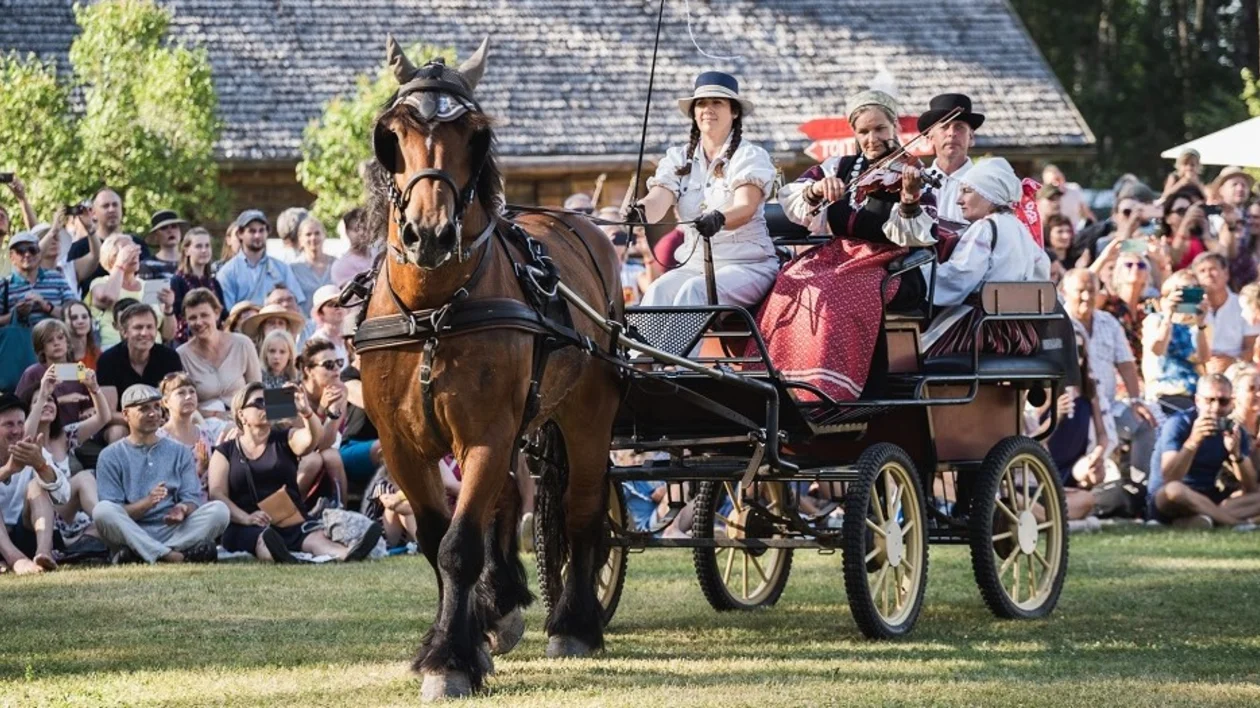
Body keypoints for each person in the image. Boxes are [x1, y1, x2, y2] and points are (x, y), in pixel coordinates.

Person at [762, 89, 934, 401]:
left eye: (880, 129)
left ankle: (829, 391)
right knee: (789, 281)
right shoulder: (840, 166)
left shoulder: (912, 171)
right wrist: (816, 190)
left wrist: (909, 201)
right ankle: (781, 383)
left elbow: (919, 235)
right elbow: (793, 198)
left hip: (889, 263)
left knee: (832, 289)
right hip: (839, 254)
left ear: (894, 126)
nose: (872, 139)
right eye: (863, 131)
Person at [627, 72, 779, 309]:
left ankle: (676, 349)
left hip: (747, 265)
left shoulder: (749, 156)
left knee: (695, 292)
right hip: (694, 265)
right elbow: (659, 198)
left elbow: (746, 207)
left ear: (734, 112)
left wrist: (719, 218)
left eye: (717, 102)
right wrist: (641, 212)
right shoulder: (678, 158)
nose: (708, 108)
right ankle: (641, 349)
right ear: (694, 113)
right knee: (657, 291)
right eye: (701, 103)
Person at [208, 382, 380, 563]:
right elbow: (217, 494)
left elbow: (313, 439)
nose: (265, 406)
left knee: (315, 539)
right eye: (258, 403)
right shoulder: (225, 451)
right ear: (241, 414)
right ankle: (285, 558)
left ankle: (347, 554)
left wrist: (306, 412)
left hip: (288, 519)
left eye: (268, 402)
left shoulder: (286, 438)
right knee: (264, 540)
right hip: (246, 524)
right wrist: (246, 518)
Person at [921, 158, 1052, 357]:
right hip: (1019, 332)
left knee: (916, 354)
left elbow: (958, 278)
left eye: (967, 191)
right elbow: (1042, 273)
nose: (958, 200)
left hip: (982, 330)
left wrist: (920, 274)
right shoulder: (1020, 229)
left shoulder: (985, 228)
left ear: (989, 195)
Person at [92, 384, 229, 563]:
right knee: (102, 511)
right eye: (144, 409)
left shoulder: (179, 451)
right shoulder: (110, 455)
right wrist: (146, 503)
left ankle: (143, 553)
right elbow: (115, 510)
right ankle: (172, 555)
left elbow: (192, 498)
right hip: (133, 529)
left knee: (220, 511)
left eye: (157, 407)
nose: (153, 413)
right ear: (125, 415)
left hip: (174, 530)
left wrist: (182, 509)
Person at [1061, 269, 1158, 481]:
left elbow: (1126, 363)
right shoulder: (1057, 323)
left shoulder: (1108, 322)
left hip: (1108, 404)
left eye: (1091, 290)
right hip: (1072, 410)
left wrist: (1135, 400)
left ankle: (1138, 488)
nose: (1086, 296)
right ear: (1064, 292)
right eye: (1080, 291)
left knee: (1145, 424)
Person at [1148, 373, 1260, 528]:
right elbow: (1170, 477)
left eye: (1223, 401)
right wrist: (1193, 442)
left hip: (1208, 497)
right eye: (1209, 400)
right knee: (1175, 490)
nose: (1215, 407)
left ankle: (1200, 519)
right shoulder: (1179, 424)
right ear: (1197, 400)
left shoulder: (1233, 429)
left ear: (1231, 403)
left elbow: (1251, 488)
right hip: (1169, 498)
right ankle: (1234, 523)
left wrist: (1236, 455)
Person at [26, 367, 109, 552]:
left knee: (87, 477)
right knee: (83, 478)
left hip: (66, 511)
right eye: (38, 401)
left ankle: (97, 529)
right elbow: (25, 436)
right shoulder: (23, 438)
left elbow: (104, 418)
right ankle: (107, 523)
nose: (47, 403)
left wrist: (94, 389)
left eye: (50, 400)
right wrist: (42, 393)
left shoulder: (65, 436)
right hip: (37, 515)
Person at [96, 303, 185, 442]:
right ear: (124, 332)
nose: (144, 333)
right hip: (124, 423)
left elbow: (179, 398)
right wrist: (143, 420)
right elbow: (108, 414)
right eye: (138, 327)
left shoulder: (169, 357)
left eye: (150, 327)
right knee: (116, 433)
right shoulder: (108, 360)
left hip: (163, 421)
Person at [0, 393, 68, 574]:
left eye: (20, 423)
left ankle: (44, 553)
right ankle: (16, 560)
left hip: (25, 532)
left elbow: (64, 496)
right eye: (8, 424)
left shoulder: (31, 449)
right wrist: (8, 469)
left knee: (37, 485)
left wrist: (41, 466)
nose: (16, 431)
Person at [176, 288, 262, 419]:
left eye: (204, 315)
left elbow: (257, 391)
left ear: (216, 314)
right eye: (192, 318)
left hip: (244, 420)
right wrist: (216, 415)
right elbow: (181, 404)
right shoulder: (182, 355)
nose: (199, 322)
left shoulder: (242, 344)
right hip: (203, 424)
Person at [87, 235, 175, 347]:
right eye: (128, 251)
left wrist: (168, 308)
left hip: (151, 351)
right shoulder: (100, 283)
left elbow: (168, 335)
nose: (134, 255)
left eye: (135, 249)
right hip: (114, 351)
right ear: (112, 258)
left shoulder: (150, 286)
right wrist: (121, 264)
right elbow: (108, 297)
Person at [67, 188, 155, 298]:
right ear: (93, 213)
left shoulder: (137, 244)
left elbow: (149, 281)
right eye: (105, 206)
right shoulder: (79, 248)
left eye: (115, 205)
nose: (111, 209)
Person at [1142, 270, 1209, 412]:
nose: (1187, 296)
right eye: (1182, 291)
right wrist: (1168, 317)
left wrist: (1200, 324)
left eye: (1194, 290)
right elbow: (1157, 349)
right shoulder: (1155, 320)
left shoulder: (1199, 325)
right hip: (1164, 393)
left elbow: (1204, 358)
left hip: (1195, 393)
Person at [215, 210, 306, 311]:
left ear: (267, 232)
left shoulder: (282, 268)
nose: (257, 236)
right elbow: (227, 313)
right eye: (252, 231)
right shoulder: (228, 272)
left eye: (261, 230)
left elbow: (297, 303)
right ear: (240, 234)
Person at [295, 340, 349, 503]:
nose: (337, 369)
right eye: (328, 364)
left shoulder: (340, 390)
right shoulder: (290, 393)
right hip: (292, 456)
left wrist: (330, 411)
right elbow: (304, 446)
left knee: (331, 456)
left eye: (339, 363)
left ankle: (343, 512)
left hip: (323, 450)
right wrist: (320, 410)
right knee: (313, 459)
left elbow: (325, 443)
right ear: (309, 370)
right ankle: (292, 512)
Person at [920, 94, 984, 226]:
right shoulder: (916, 182)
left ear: (971, 137)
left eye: (959, 127)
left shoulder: (985, 184)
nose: (951, 133)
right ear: (930, 137)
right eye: (944, 126)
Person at [14, 319, 93, 425]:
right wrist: (60, 400)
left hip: (75, 430)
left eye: (60, 338)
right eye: (49, 340)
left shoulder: (79, 370)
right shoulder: (33, 372)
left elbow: (88, 404)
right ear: (41, 347)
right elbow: (19, 407)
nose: (56, 343)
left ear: (68, 342)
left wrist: (88, 411)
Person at [1191, 252, 1258, 371]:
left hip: (1238, 371)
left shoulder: (1243, 305)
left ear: (1226, 274)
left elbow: (1252, 346)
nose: (1208, 275)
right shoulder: (1192, 308)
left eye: (1213, 269)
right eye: (1202, 271)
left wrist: (1233, 362)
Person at [1072, 182, 1158, 265]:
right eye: (1127, 212)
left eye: (1136, 211)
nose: (1132, 217)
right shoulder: (1104, 242)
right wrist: (1128, 230)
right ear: (1115, 216)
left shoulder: (1148, 242)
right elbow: (1120, 257)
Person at [158, 373, 217, 495]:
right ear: (165, 402)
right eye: (181, 393)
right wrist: (199, 469)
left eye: (192, 392)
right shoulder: (159, 439)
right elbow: (164, 484)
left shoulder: (206, 434)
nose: (188, 396)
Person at [339, 318, 381, 487]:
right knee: (390, 449)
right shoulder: (347, 376)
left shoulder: (385, 374)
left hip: (386, 445)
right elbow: (372, 403)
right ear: (350, 344)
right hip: (354, 446)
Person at [4, 231, 75, 326]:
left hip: (54, 339)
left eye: (32, 249)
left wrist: (46, 306)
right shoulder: (5, 285)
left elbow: (74, 313)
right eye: (21, 250)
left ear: (39, 253)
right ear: (11, 257)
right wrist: (16, 314)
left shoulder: (57, 278)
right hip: (18, 339)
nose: (27, 254)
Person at [169, 227, 225, 343]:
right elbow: (177, 315)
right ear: (186, 250)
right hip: (186, 342)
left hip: (214, 341)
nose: (204, 250)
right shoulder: (177, 281)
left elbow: (223, 313)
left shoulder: (214, 283)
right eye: (198, 246)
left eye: (207, 246)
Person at [290, 216, 335, 310]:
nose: (313, 238)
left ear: (324, 235)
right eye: (308, 234)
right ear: (300, 239)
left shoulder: (337, 265)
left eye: (317, 233)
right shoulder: (293, 269)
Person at [330, 208, 374, 287]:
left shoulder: (379, 257)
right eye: (356, 229)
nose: (362, 233)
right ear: (347, 232)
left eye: (365, 229)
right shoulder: (341, 266)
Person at [307, 284, 347, 360]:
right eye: (331, 305)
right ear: (320, 313)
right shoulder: (317, 341)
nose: (337, 307)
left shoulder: (349, 339)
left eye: (340, 302)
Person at [240, 303, 305, 348]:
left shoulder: (295, 357)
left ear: (286, 328)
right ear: (262, 328)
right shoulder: (251, 353)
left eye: (281, 323)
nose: (276, 326)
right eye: (271, 323)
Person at [143, 209, 185, 278]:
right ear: (156, 236)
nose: (170, 231)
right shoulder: (147, 265)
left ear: (180, 231)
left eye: (174, 226)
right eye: (164, 228)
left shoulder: (192, 261)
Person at [62, 300, 101, 370]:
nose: (80, 321)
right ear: (63, 322)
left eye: (84, 317)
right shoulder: (57, 356)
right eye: (74, 318)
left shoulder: (99, 355)